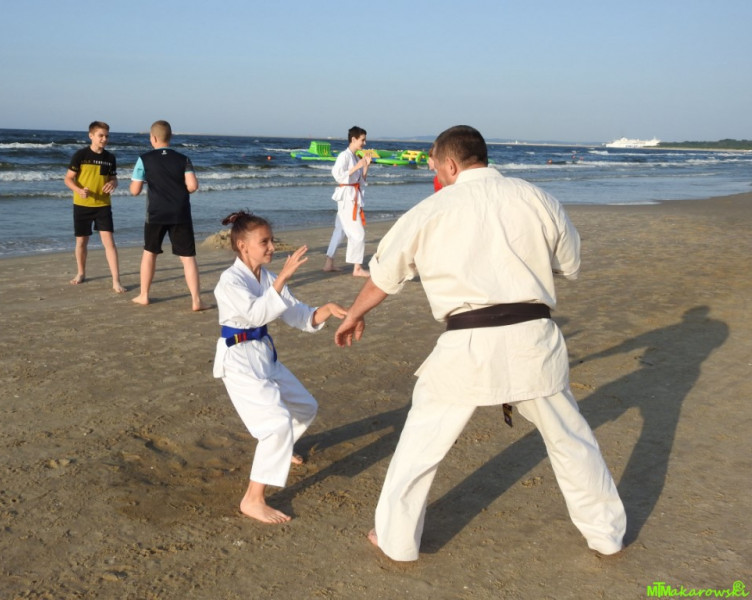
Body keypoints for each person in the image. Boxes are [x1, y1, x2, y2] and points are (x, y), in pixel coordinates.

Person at [335, 125, 627, 561]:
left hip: (467, 344)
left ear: (451, 164)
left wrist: (354, 314)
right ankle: (606, 535)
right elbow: (570, 265)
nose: (433, 171)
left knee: (420, 445)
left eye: (435, 164)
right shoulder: (537, 198)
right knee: (571, 441)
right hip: (533, 339)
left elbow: (383, 276)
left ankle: (396, 540)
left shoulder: (429, 211)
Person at [213, 211, 347, 523]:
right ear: (243, 246)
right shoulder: (230, 281)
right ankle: (252, 499)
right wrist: (283, 277)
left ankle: (280, 448)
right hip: (239, 361)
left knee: (305, 407)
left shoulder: (268, 278)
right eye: (265, 242)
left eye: (271, 240)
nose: (272, 247)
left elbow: (298, 315)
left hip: (264, 355)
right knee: (276, 423)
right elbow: (256, 314)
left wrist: (326, 309)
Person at [130, 120, 206, 311]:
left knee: (150, 253)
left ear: (153, 138)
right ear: (170, 137)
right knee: (187, 257)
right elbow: (192, 186)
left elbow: (134, 190)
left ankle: (144, 295)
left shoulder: (144, 159)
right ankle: (196, 300)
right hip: (180, 213)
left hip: (156, 213)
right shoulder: (183, 159)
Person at [64, 121, 126, 292]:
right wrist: (78, 190)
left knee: (110, 243)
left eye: (107, 136)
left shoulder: (110, 158)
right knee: (81, 241)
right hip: (82, 204)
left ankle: (116, 280)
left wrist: (113, 183)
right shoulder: (81, 155)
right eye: (101, 136)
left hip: (103, 205)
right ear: (91, 136)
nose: (104, 139)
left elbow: (113, 179)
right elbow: (68, 179)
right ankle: (81, 273)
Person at [323, 126, 372, 277]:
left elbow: (361, 181)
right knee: (358, 233)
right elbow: (337, 175)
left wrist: (366, 167)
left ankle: (329, 263)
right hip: (347, 197)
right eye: (362, 140)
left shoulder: (356, 157)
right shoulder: (344, 156)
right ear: (354, 139)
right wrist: (357, 166)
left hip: (353, 194)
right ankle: (357, 268)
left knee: (340, 230)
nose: (364, 143)